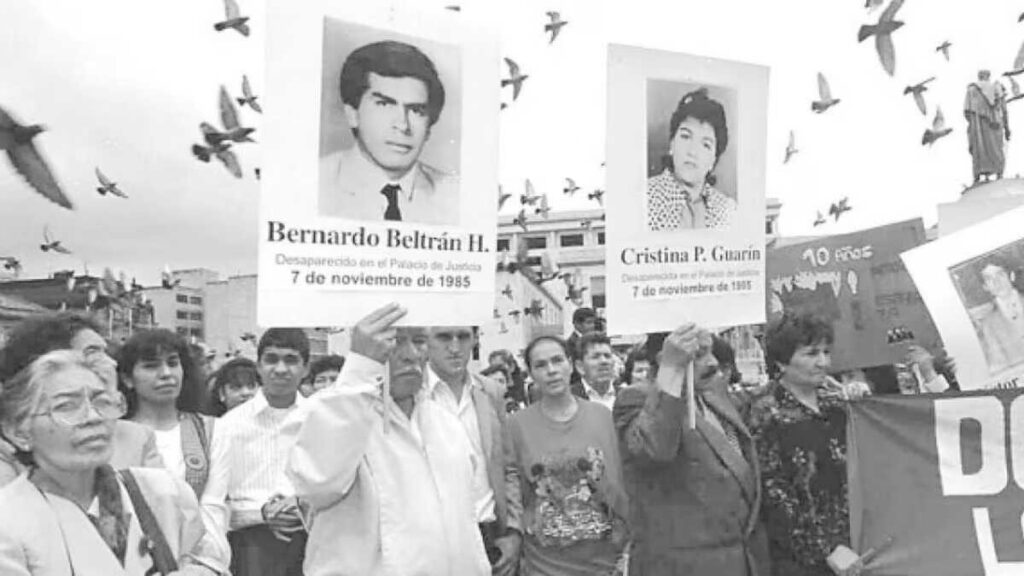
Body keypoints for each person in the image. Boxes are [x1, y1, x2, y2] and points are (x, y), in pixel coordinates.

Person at [287, 304, 490, 575]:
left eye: (419, 341)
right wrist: (361, 369)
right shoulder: (328, 410)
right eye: (394, 342)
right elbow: (316, 483)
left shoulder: (445, 423)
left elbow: (466, 525)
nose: (411, 355)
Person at [0, 350, 228, 575]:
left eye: (102, 402)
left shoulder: (163, 491)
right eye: (66, 406)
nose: (93, 417)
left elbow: (210, 558)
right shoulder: (9, 520)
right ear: (18, 431)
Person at [613, 327, 770, 575]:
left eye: (711, 353)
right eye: (699, 355)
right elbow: (654, 450)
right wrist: (671, 371)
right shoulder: (637, 399)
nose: (713, 363)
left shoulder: (710, 394)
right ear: (665, 361)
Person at [749, 312, 871, 576]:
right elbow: (775, 494)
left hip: (857, 551)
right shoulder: (767, 413)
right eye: (811, 353)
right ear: (781, 361)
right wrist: (825, 549)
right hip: (804, 562)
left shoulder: (837, 406)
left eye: (826, 352)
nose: (823, 362)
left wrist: (866, 407)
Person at [504, 334, 629, 575]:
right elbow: (515, 494)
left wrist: (626, 548)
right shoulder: (515, 426)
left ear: (571, 364)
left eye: (557, 360)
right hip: (545, 565)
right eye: (540, 365)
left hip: (604, 563)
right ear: (530, 373)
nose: (551, 370)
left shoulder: (602, 417)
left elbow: (620, 487)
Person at [0, 312, 163, 483]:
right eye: (93, 352)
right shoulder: (7, 454)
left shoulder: (137, 437)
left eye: (106, 352)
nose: (112, 363)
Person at [201, 328, 310, 576]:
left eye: (291, 360)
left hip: (314, 544)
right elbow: (215, 503)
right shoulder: (227, 426)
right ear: (259, 367)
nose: (280, 369)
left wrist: (303, 505)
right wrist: (261, 514)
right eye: (271, 359)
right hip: (251, 549)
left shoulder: (321, 420)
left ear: (306, 369)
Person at [319, 40, 459, 224]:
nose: (402, 125)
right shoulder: (314, 183)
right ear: (353, 114)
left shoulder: (456, 196)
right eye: (384, 104)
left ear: (429, 128)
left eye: (416, 110)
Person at [421, 325, 518, 570]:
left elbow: (508, 467)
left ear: (474, 340)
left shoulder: (490, 391)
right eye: (444, 337)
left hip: (489, 533)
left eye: (463, 337)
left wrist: (513, 532)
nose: (455, 347)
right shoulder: (412, 392)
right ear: (426, 341)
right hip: (434, 540)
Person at [117, 329, 215, 498]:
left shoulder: (210, 430)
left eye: (172, 363)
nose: (166, 374)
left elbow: (213, 502)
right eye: (151, 366)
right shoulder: (115, 435)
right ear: (128, 379)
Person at [647, 87, 736, 231]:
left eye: (706, 145)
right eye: (686, 136)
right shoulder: (643, 198)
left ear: (713, 160)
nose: (693, 152)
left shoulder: (729, 210)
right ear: (672, 143)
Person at [970, 256, 1024, 373]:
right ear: (985, 287)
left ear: (1011, 276)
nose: (997, 282)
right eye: (989, 279)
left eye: (1000, 275)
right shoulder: (988, 324)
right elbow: (997, 367)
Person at [964, 70, 1009, 184]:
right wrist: (1007, 128)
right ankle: (999, 174)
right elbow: (1004, 110)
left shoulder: (971, 90)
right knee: (996, 148)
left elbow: (967, 114)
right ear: (988, 76)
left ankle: (978, 175)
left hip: (978, 127)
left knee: (980, 149)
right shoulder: (997, 87)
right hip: (995, 125)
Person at [576, 332, 618, 410]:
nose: (604, 361)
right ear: (580, 367)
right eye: (595, 357)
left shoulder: (627, 396)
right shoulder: (570, 399)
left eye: (607, 356)